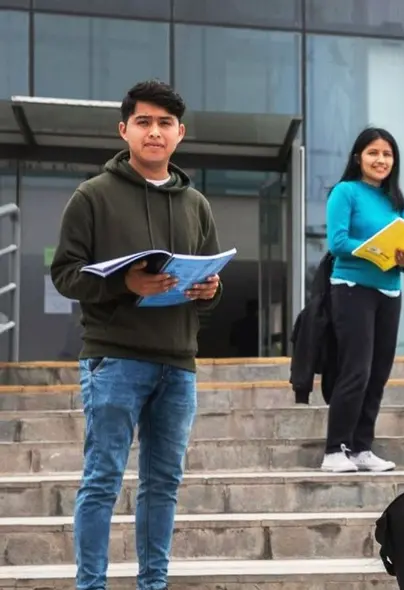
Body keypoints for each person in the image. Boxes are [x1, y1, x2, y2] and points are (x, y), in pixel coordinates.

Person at [49, 79, 223, 590]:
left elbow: (210, 290)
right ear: (124, 129)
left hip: (178, 363)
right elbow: (64, 275)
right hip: (114, 359)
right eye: (144, 122)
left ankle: (154, 584)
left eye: (165, 123)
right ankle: (91, 585)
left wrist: (208, 288)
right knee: (102, 480)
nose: (154, 132)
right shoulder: (92, 196)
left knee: (163, 484)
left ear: (180, 133)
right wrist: (126, 283)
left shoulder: (197, 204)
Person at [321, 127, 404, 473]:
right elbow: (338, 243)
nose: (381, 160)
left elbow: (401, 252)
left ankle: (361, 448)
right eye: (374, 153)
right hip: (351, 288)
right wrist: (376, 249)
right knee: (356, 370)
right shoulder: (345, 192)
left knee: (378, 373)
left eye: (387, 154)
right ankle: (335, 450)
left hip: (389, 291)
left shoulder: (394, 201)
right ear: (358, 157)